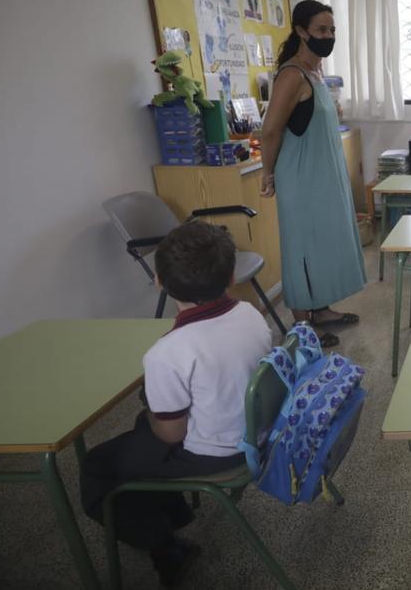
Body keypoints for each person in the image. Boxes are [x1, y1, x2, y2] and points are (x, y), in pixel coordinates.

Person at [80, 222, 271, 586]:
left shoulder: (167, 354)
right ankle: (173, 514)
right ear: (231, 276)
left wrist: (155, 409)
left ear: (159, 283)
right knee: (141, 425)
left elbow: (170, 434)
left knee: (97, 466)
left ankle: (165, 544)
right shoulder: (249, 313)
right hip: (255, 431)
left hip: (217, 452)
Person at [260, 0, 366, 348]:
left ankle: (321, 310)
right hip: (301, 179)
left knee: (322, 245)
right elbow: (271, 130)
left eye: (332, 30)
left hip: (322, 177)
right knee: (302, 246)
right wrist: (267, 173)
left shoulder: (316, 73)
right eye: (321, 30)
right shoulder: (292, 74)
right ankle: (302, 326)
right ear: (301, 31)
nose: (328, 36)